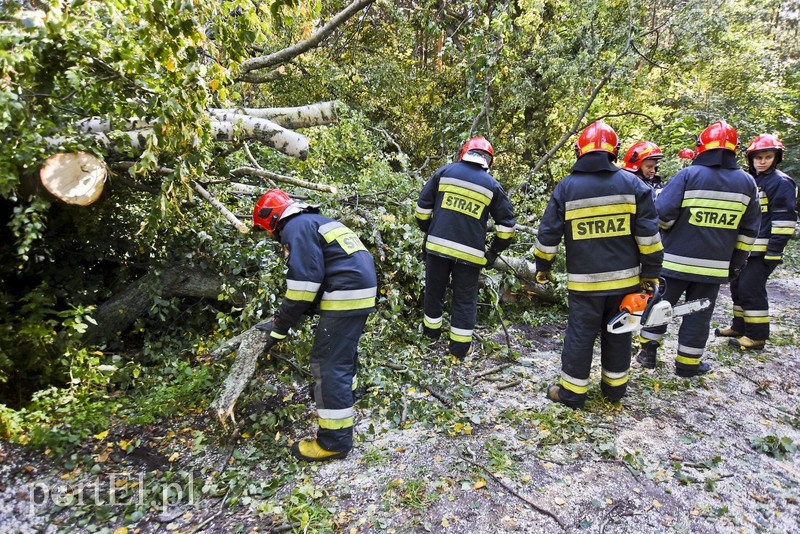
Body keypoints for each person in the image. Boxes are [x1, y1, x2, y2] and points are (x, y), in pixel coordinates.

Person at [534, 120, 663, 409]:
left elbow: (548, 234)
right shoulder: (633, 185)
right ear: (614, 151)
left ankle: (572, 394)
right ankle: (614, 391)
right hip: (626, 281)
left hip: (585, 284)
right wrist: (651, 273)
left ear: (580, 151)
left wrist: (543, 266)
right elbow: (649, 237)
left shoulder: (567, 187)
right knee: (619, 332)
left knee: (580, 335)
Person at [252, 189, 377, 462]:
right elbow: (327, 267)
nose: (271, 237)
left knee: (328, 363)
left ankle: (334, 441)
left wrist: (280, 325)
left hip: (346, 292)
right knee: (342, 354)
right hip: (361, 289)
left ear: (271, 220)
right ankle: (345, 396)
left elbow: (304, 283)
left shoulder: (294, 228)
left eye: (267, 231)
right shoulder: (316, 222)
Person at [636, 120, 761, 376]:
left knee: (659, 307)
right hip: (713, 267)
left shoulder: (688, 175)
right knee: (699, 314)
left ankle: (647, 353)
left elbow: (663, 216)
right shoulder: (747, 183)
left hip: (673, 262)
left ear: (701, 147)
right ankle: (688, 364)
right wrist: (736, 263)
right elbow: (749, 231)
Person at [415, 136, 516, 359]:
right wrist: (493, 252)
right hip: (470, 256)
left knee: (434, 293)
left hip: (437, 248)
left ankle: (430, 338)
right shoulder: (492, 186)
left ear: (464, 153)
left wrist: (430, 229)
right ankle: (460, 350)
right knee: (464, 300)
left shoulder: (444, 173)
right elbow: (507, 227)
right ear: (489, 161)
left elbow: (421, 210)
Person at [715, 134, 797, 350]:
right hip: (746, 250)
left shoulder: (781, 182)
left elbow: (784, 221)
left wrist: (774, 251)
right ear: (750, 159)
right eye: (758, 157)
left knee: (751, 290)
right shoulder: (753, 181)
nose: (762, 161)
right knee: (737, 288)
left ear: (776, 158)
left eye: (767, 157)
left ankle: (756, 336)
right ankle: (739, 326)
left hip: (763, 251)